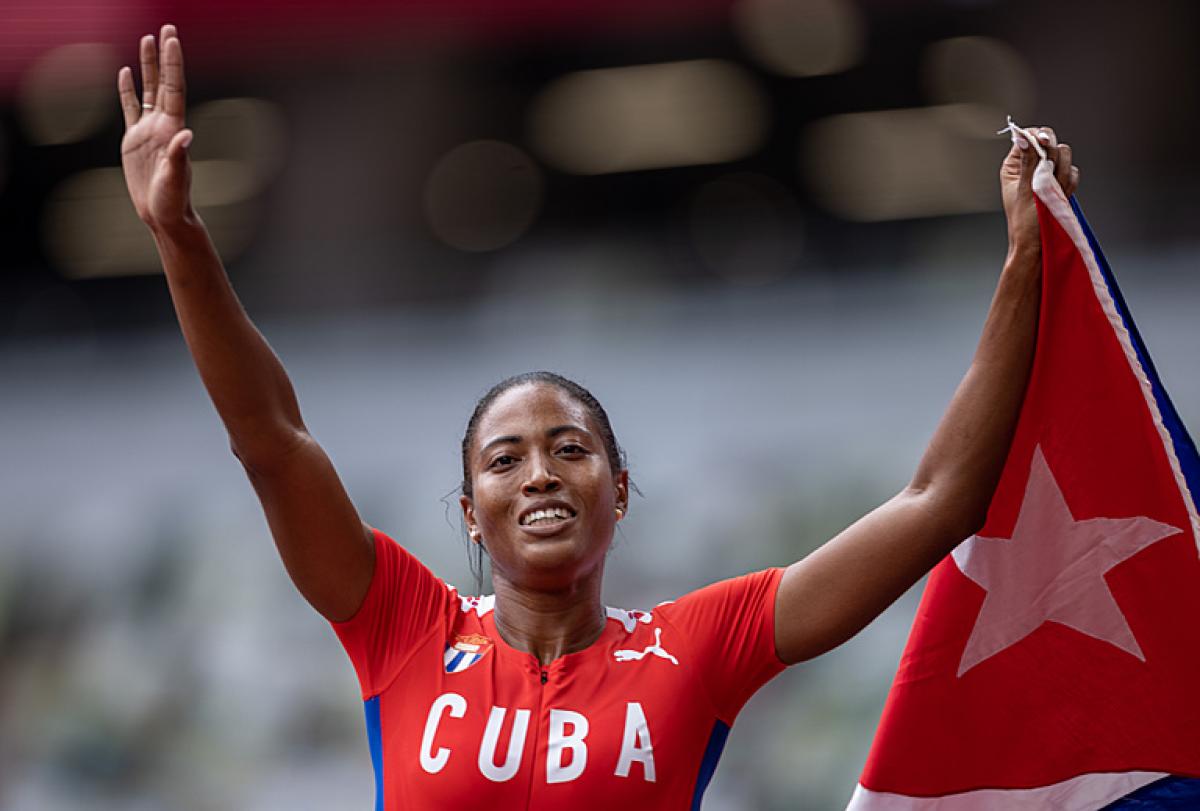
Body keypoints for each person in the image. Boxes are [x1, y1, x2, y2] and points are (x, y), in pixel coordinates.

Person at [118, 25, 1080, 810]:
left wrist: (1026, 264)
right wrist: (180, 236)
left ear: (617, 493)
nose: (538, 472)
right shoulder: (404, 627)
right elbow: (272, 442)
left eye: (568, 449)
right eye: (505, 460)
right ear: (468, 513)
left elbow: (938, 500)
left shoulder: (700, 645)